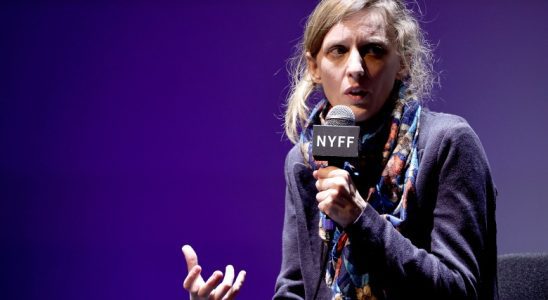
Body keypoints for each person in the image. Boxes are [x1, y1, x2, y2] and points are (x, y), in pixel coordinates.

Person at [183, 0, 498, 299]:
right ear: (314, 67)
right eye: (338, 51)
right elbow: (295, 292)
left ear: (403, 62)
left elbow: (462, 290)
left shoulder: (447, 143)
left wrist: (361, 218)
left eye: (373, 50)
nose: (356, 67)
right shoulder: (305, 161)